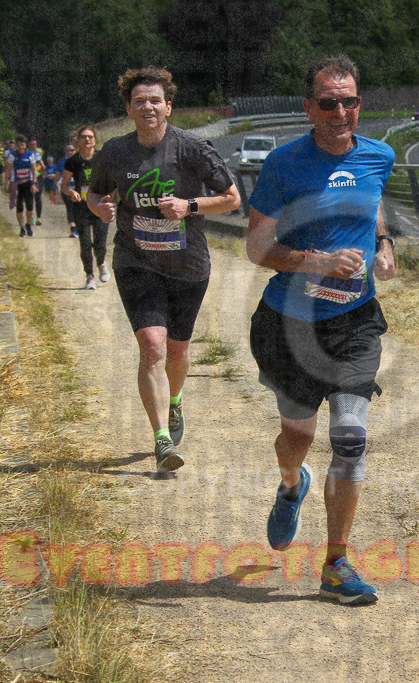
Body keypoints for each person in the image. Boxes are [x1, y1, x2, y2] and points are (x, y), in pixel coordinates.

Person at [245, 54, 396, 606]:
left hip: (355, 320)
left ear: (360, 104)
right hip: (288, 324)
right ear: (309, 107)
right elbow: (257, 246)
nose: (340, 111)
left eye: (349, 100)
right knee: (300, 439)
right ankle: (291, 486)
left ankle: (335, 563)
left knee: (350, 438)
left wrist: (383, 245)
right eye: (328, 102)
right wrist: (316, 262)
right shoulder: (284, 164)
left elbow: (373, 205)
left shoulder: (380, 155)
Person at [87, 67, 240, 473]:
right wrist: (97, 206)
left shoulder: (191, 147)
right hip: (135, 261)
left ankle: (174, 402)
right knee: (152, 347)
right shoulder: (115, 152)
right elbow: (95, 191)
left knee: (177, 350)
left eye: (155, 100)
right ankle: (161, 440)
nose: (148, 106)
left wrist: (189, 206)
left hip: (187, 264)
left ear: (168, 106)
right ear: (129, 109)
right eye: (140, 101)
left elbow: (231, 198)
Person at [61, 126, 109, 290]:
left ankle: (101, 263)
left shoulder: (101, 158)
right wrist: (71, 192)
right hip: (81, 207)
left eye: (90, 137)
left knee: (101, 244)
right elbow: (64, 185)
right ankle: (89, 276)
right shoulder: (72, 161)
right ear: (78, 141)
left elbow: (112, 181)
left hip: (99, 205)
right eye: (83, 137)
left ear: (95, 141)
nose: (87, 140)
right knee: (85, 243)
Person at [9, 135, 39, 236]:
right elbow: (8, 170)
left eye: (23, 144)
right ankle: (22, 228)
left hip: (28, 182)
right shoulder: (12, 155)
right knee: (19, 206)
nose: (21, 147)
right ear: (16, 146)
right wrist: (6, 184)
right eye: (19, 145)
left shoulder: (30, 155)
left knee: (30, 206)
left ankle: (28, 224)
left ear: (25, 145)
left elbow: (34, 170)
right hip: (16, 183)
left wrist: (34, 183)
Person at [57, 143, 79, 237]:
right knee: (70, 208)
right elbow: (58, 174)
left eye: (72, 150)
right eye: (68, 150)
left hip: (78, 189)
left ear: (75, 150)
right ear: (65, 151)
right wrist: (55, 185)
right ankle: (73, 229)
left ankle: (79, 227)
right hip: (66, 189)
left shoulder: (80, 161)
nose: (70, 152)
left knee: (78, 209)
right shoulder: (61, 161)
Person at [28, 137, 45, 226]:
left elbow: (41, 160)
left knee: (38, 198)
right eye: (31, 144)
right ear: (29, 145)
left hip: (39, 176)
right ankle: (30, 217)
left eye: (34, 144)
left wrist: (43, 165)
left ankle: (38, 217)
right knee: (30, 197)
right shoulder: (27, 153)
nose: (33, 146)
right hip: (30, 177)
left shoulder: (40, 151)